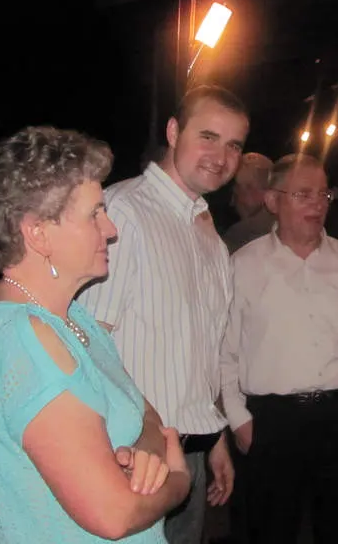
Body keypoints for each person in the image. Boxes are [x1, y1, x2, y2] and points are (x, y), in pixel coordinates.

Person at [0, 126, 191, 544]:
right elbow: (114, 516)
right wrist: (176, 481)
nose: (111, 229)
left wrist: (144, 454)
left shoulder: (73, 319)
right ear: (38, 233)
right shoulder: (22, 342)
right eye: (94, 214)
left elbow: (148, 416)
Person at [78, 84, 250, 544]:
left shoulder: (209, 237)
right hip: (132, 457)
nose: (221, 156)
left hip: (188, 458)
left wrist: (215, 439)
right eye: (208, 136)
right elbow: (87, 342)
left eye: (234, 145)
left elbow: (203, 355)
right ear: (174, 132)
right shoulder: (123, 211)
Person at [220, 153, 338, 544]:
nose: (317, 204)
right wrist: (239, 418)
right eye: (303, 194)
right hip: (271, 422)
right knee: (268, 533)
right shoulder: (243, 265)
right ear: (272, 200)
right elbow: (226, 351)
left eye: (323, 194)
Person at [222, 152, 275, 254]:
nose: (233, 202)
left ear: (250, 188)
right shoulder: (286, 227)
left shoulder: (240, 234)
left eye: (237, 190)